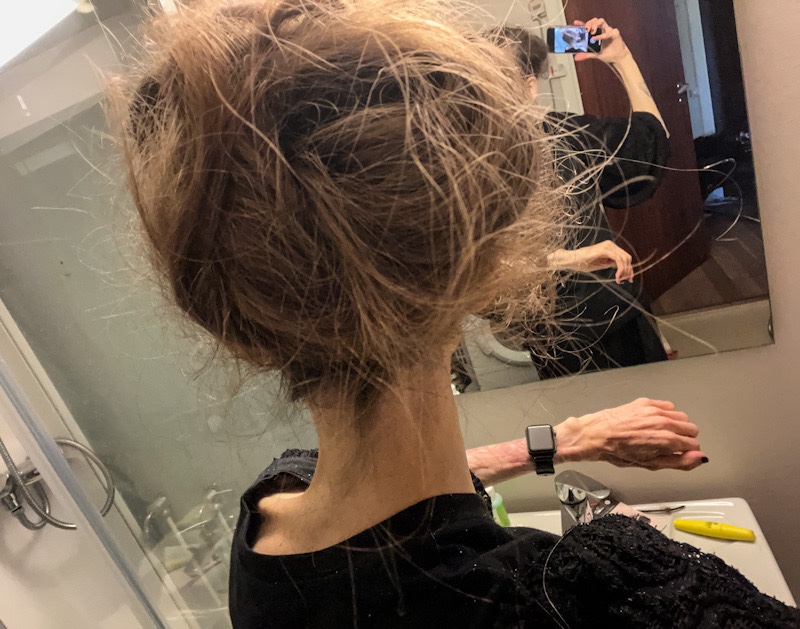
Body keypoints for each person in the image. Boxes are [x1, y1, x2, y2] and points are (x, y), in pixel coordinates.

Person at [115, 1, 798, 627]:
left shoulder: (270, 523)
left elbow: (399, 503)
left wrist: (563, 440)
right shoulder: (601, 594)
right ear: (493, 263)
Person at [502, 22, 672, 378]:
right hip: (553, 339)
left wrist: (622, 58)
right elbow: (478, 269)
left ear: (529, 87)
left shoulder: (567, 135)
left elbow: (648, 144)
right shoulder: (464, 167)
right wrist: (571, 258)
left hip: (618, 317)